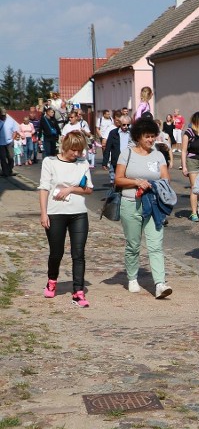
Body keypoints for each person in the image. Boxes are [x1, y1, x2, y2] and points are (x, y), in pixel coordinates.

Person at [114, 115, 174, 299]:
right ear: (138, 136)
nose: (151, 140)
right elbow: (118, 179)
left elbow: (166, 178)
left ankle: (160, 284)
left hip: (154, 204)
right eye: (147, 136)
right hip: (131, 203)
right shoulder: (127, 153)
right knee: (133, 244)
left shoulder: (158, 155)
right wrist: (135, 182)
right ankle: (132, 277)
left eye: (153, 136)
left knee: (156, 245)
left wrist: (153, 184)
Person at [38, 132, 94, 306]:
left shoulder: (82, 163)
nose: (76, 154)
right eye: (74, 150)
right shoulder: (50, 162)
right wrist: (43, 212)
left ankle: (78, 292)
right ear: (65, 146)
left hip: (78, 213)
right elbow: (44, 188)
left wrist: (71, 189)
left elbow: (88, 189)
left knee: (79, 253)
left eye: (80, 151)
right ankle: (52, 280)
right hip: (56, 213)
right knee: (57, 252)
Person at [102, 116, 132, 185]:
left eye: (128, 125)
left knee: (127, 178)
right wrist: (105, 162)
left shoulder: (132, 133)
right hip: (116, 160)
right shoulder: (113, 133)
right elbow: (108, 148)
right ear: (120, 124)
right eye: (124, 124)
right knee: (115, 179)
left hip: (129, 159)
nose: (126, 126)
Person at [0, 107, 20, 177]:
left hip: (9, 142)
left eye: (4, 115)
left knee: (11, 157)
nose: (3, 116)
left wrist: (13, 138)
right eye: (1, 115)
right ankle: (5, 172)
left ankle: (8, 170)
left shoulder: (11, 120)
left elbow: (15, 131)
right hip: (0, 143)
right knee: (2, 158)